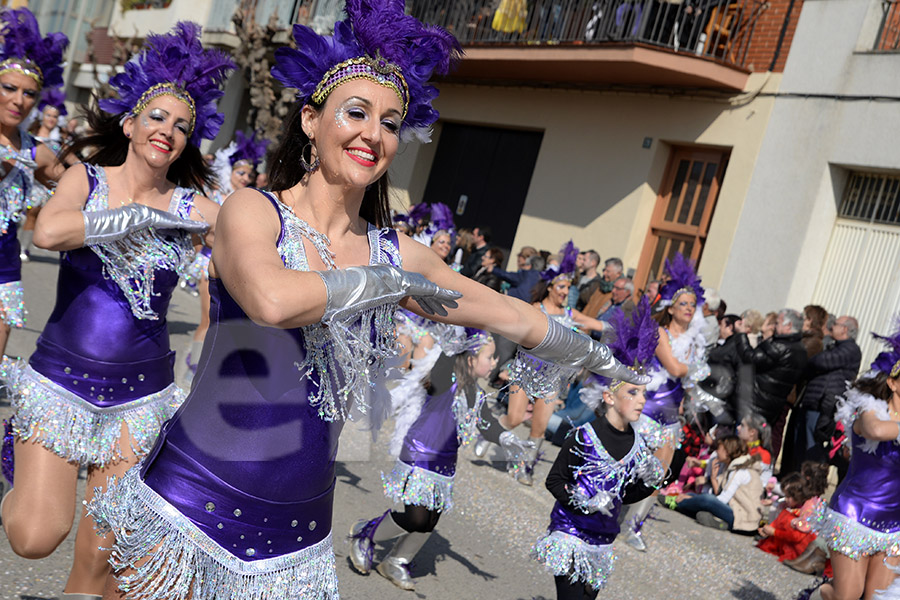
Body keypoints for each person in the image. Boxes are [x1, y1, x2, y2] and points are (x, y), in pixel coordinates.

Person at [84, 5, 646, 598]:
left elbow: (509, 313)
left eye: (390, 121)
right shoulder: (255, 211)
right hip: (190, 505)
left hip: (295, 540)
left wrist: (602, 359)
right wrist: (386, 284)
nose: (373, 134)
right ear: (310, 119)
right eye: (356, 112)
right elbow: (272, 301)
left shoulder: (395, 250)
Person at [0, 22, 232, 600]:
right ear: (130, 123)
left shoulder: (195, 205)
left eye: (183, 126)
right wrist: (139, 217)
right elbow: (51, 231)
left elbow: (257, 244)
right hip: (59, 386)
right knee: (34, 535)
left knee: (103, 561)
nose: (168, 131)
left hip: (140, 399)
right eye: (157, 117)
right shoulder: (88, 178)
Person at [349, 327, 528, 591]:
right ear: (470, 359)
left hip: (445, 464)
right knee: (417, 518)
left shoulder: (474, 393)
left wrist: (506, 439)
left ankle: (397, 561)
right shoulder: (444, 379)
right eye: (489, 357)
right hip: (419, 454)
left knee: (431, 519)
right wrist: (465, 326)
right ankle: (367, 533)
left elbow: (487, 423)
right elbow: (448, 356)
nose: (494, 363)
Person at [532, 298, 664, 600]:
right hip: (570, 531)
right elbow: (554, 480)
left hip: (603, 540)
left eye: (644, 393)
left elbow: (625, 496)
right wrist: (584, 501)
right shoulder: (584, 437)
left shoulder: (637, 445)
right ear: (608, 397)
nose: (642, 400)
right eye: (633, 392)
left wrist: (650, 480)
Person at [619, 253, 720, 551]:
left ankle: (633, 526)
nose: (689, 309)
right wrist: (699, 370)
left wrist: (696, 383)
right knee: (628, 462)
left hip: (670, 412)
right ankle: (607, 508)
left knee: (658, 472)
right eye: (683, 304)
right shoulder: (659, 332)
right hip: (646, 406)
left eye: (692, 304)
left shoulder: (696, 340)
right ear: (671, 308)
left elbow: (688, 380)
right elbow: (675, 370)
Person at [492, 242, 607, 486]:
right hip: (525, 370)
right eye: (562, 287)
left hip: (551, 377)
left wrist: (626, 331)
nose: (566, 292)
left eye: (568, 288)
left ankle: (525, 468)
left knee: (539, 427)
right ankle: (490, 436)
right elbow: (516, 337)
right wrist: (505, 364)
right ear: (551, 287)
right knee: (513, 418)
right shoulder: (536, 309)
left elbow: (598, 325)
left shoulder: (570, 314)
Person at [804, 321, 900, 600]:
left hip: (894, 525)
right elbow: (876, 431)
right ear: (893, 382)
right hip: (854, 516)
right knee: (847, 596)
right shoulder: (867, 411)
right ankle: (817, 595)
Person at [0, 8, 68, 359]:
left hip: (4, 271)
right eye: (9, 87)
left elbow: (87, 187)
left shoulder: (37, 153)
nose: (19, 100)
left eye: (29, 93)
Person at [182, 129, 270, 383]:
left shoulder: (249, 200)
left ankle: (204, 372)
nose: (245, 178)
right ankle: (192, 373)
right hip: (208, 265)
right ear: (229, 171)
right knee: (208, 322)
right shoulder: (215, 197)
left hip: (233, 269)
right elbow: (198, 231)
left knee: (221, 326)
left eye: (249, 175)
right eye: (240, 173)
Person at [782, 315, 861, 475]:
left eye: (836, 324)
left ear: (845, 329)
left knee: (811, 450)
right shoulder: (834, 346)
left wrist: (815, 360)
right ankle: (797, 485)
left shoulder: (850, 349)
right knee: (800, 447)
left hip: (824, 407)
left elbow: (820, 361)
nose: (832, 327)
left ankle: (809, 488)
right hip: (812, 403)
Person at [734, 308, 808, 456]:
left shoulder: (780, 346)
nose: (774, 326)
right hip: (771, 404)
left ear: (789, 326)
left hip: (755, 402)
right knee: (754, 444)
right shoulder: (800, 349)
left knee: (741, 445)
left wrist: (741, 335)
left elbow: (750, 358)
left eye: (778, 323)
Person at [665, 435, 764, 533]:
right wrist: (713, 478)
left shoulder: (739, 470)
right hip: (735, 510)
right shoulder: (731, 466)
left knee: (706, 500)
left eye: (719, 449)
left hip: (744, 518)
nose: (716, 452)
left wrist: (690, 499)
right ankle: (718, 522)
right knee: (693, 495)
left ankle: (677, 504)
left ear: (727, 451)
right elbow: (719, 493)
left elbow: (723, 499)